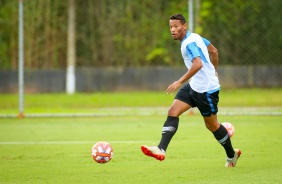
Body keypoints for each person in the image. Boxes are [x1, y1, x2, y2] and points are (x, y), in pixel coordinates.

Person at [141, 14, 241, 167]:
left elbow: (198, 64)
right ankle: (161, 149)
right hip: (194, 85)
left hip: (206, 91)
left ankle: (231, 155)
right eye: (170, 27)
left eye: (176, 26)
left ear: (184, 26)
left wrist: (179, 81)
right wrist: (214, 70)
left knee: (212, 125)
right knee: (173, 111)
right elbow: (214, 51)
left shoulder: (188, 44)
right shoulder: (196, 37)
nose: (173, 30)